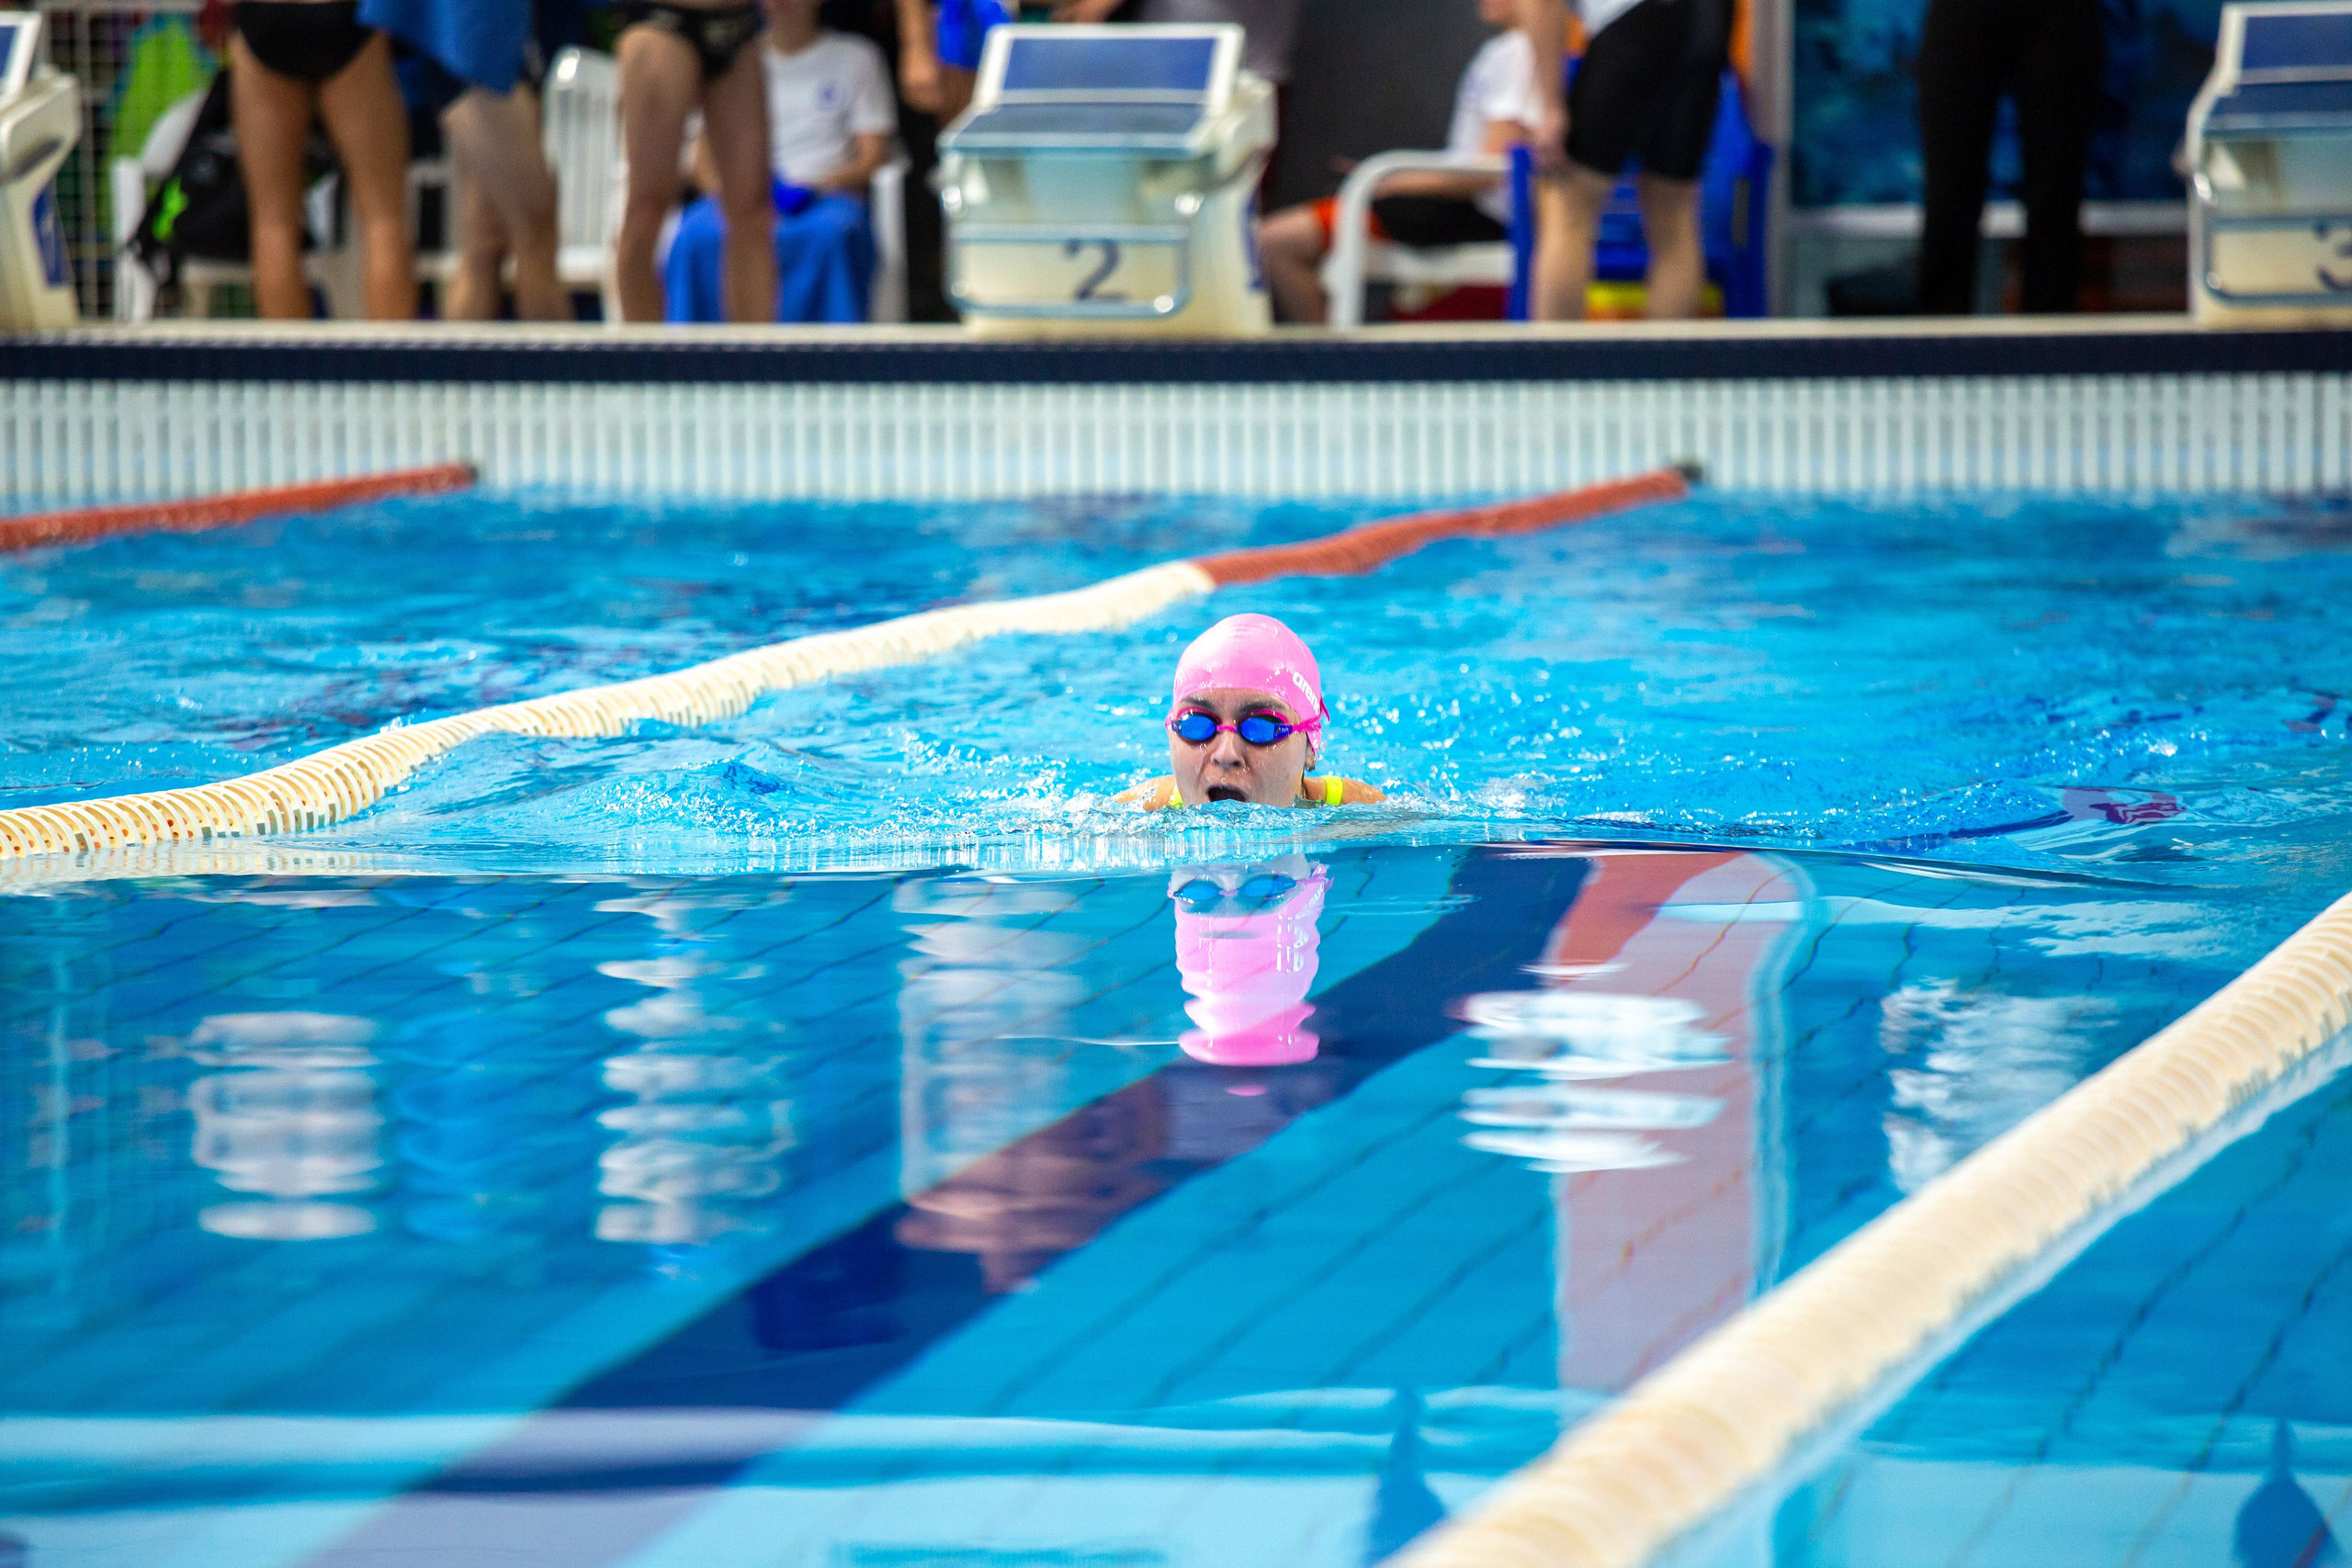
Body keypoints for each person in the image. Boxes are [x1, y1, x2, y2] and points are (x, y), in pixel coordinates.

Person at [1256, 0, 1539, 324]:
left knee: (1276, 241)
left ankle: (1333, 366)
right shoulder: (1508, 52)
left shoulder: (1517, 53)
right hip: (1457, 205)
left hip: (1474, 214)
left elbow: (1489, 170)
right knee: (1275, 241)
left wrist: (1390, 181)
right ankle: (1333, 358)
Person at [664, 0, 897, 322]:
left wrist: (815, 186)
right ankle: (691, 361)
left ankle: (831, 361)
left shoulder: (858, 58)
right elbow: (702, 159)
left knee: (833, 233)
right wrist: (737, 195)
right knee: (694, 234)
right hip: (744, 196)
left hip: (820, 198)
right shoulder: (734, 60)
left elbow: (874, 153)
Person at [360, 0, 579, 321]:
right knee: (534, 228)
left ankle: (460, 370)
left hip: (497, 41)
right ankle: (558, 370)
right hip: (475, 43)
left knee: (485, 238)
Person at [1519, 0, 1728, 321]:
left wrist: (1551, 107)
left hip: (1633, 19)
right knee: (1674, 213)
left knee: (1569, 205)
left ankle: (1554, 365)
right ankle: (1668, 368)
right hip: (1710, 17)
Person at [227, 0, 417, 319]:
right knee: (383, 221)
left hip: (266, 16)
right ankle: (391, 366)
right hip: (342, 13)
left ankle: (286, 366)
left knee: (273, 224)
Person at [1915, 0, 2103, 314]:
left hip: (2061, 14)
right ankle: (1938, 351)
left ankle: (2051, 351)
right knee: (1948, 193)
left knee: (2056, 196)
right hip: (1962, 12)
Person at [614, 0, 775, 322]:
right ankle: (641, 362)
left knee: (753, 214)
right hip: (664, 21)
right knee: (648, 205)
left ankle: (754, 364)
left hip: (737, 24)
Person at [1120, 613, 1385, 809]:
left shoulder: (1361, 812)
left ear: (1310, 749)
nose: (1226, 755)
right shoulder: (1135, 812)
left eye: (1261, 727)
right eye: (1197, 724)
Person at [892, 0, 1125, 126]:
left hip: (1064, 21)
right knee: (970, 138)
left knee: (1070, 133)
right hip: (969, 21)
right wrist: (916, 42)